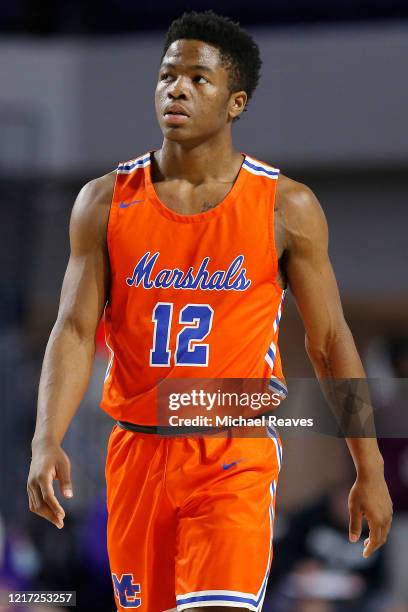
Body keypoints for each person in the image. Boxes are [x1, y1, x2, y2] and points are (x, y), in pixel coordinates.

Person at [27, 11, 393, 612]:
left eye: (199, 79)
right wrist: (47, 439)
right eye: (168, 75)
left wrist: (369, 466)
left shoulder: (285, 207)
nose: (177, 88)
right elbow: (73, 329)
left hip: (232, 452)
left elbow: (331, 343)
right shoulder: (103, 201)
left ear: (235, 102)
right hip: (137, 451)